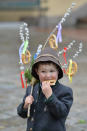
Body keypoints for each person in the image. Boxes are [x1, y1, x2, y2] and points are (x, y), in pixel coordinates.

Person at [17, 47, 73, 131]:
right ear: (37, 71)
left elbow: (62, 113)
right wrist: (25, 106)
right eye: (43, 71)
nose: (48, 75)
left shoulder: (65, 91)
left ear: (58, 71)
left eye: (52, 71)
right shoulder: (32, 89)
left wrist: (50, 96)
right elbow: (22, 114)